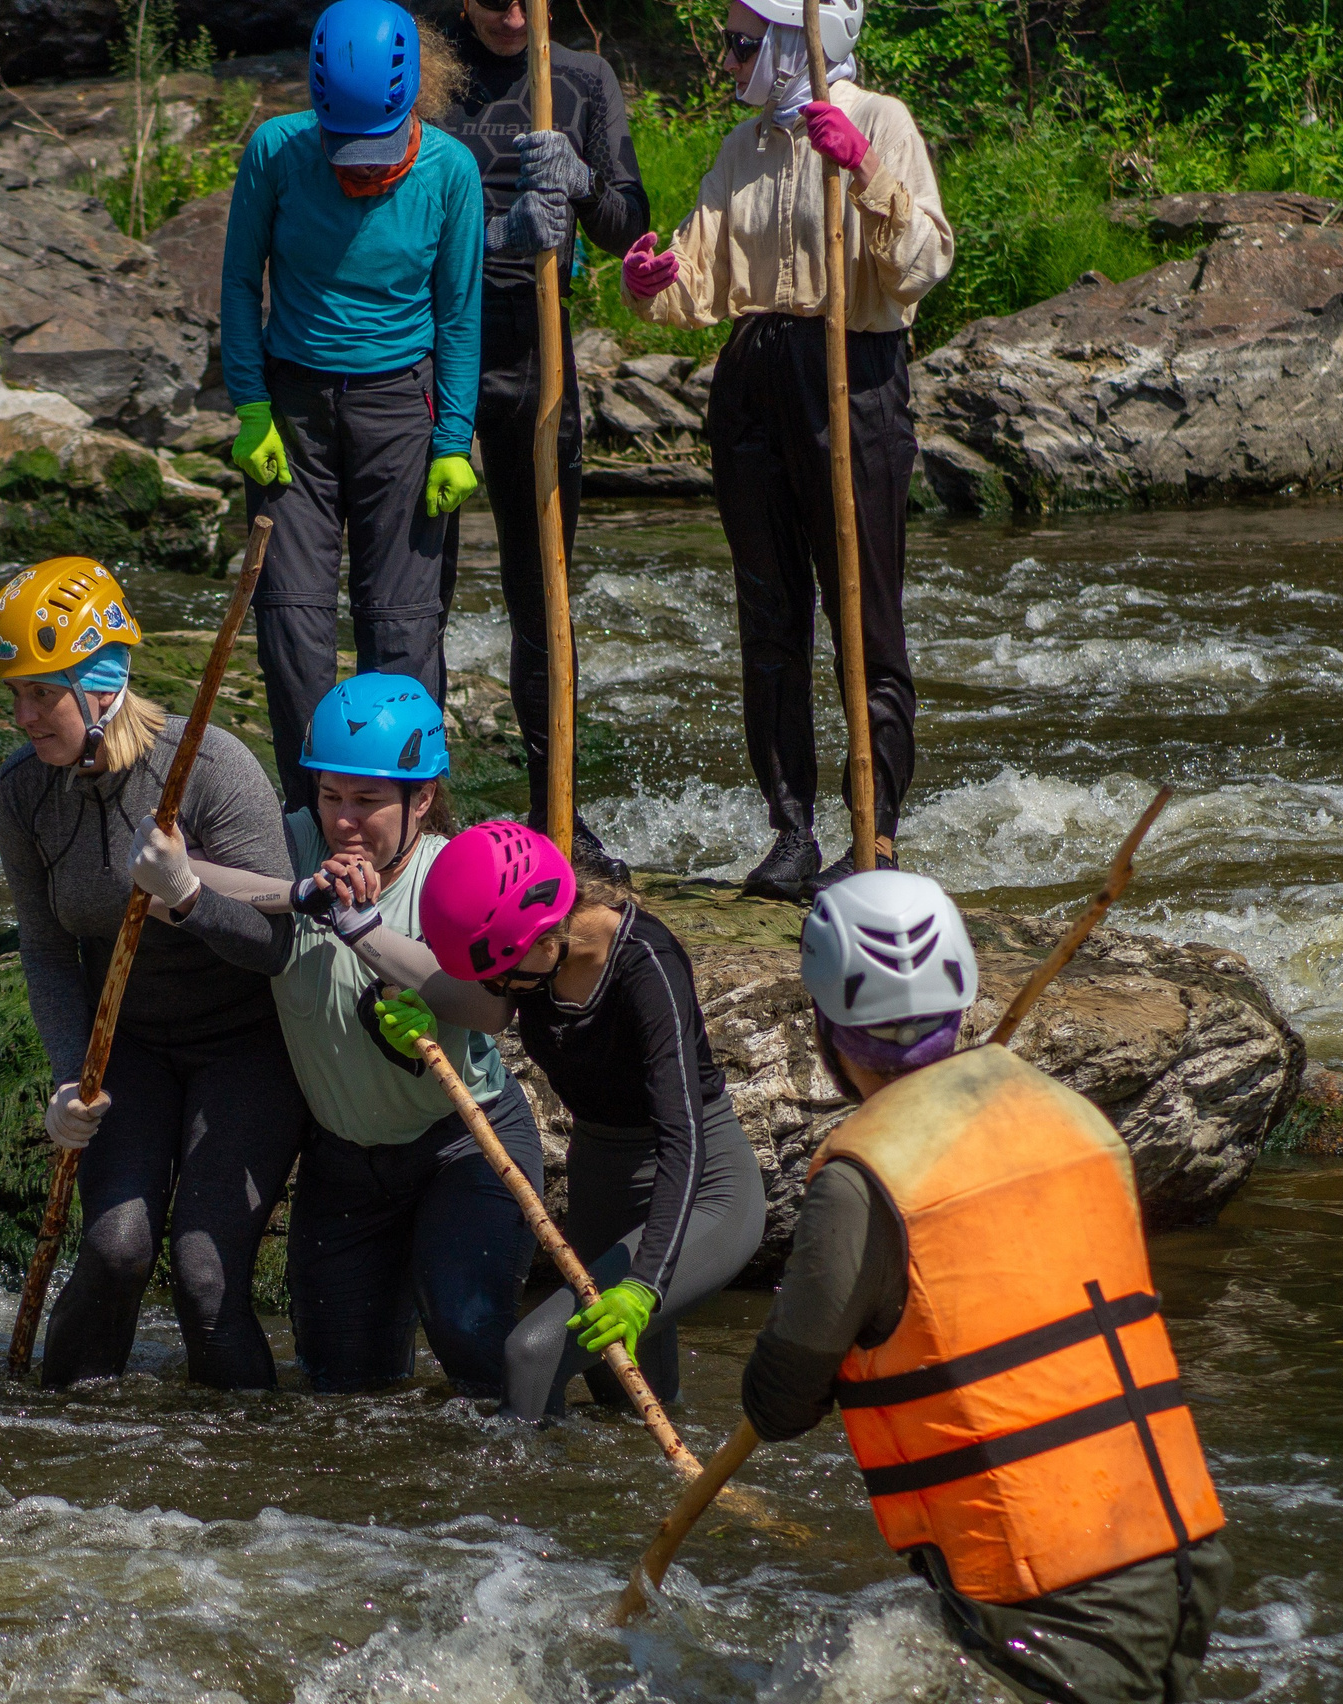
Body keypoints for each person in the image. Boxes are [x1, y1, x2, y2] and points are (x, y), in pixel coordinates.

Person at [742, 870, 1231, 1703]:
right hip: (1182, 1544)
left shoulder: (863, 1177)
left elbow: (782, 1400)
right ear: (963, 992)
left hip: (1048, 1582)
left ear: (827, 1026)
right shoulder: (1075, 1116)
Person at [621, 0, 954, 898]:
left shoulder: (880, 119)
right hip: (756, 378)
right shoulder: (743, 149)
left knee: (864, 615)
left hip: (853, 373)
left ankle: (874, 832)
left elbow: (924, 263)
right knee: (769, 620)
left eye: (740, 43)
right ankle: (792, 831)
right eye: (728, 43)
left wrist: (867, 171)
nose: (727, 60)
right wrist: (654, 282)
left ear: (791, 40)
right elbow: (697, 276)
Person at [0, 557, 305, 1391]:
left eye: (40, 694)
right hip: (129, 1045)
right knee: (116, 1248)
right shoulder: (23, 794)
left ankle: (244, 1471)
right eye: (13, 694)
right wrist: (66, 1084)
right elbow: (49, 947)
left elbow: (280, 947)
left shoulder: (212, 768)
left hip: (246, 1047)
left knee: (203, 1274)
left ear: (101, 683)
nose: (22, 716)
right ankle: (57, 1448)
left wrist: (191, 895)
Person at [186, 675, 544, 1396]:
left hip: (463, 1146)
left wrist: (368, 935)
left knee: (466, 1332)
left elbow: (491, 1012)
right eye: (331, 796)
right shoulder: (286, 844)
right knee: (343, 1389)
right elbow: (176, 873)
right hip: (344, 1168)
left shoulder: (454, 869)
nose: (344, 822)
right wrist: (292, 895)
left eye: (368, 801)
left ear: (422, 798)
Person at [352, 821, 766, 1420]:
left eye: (501, 975)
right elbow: (481, 1006)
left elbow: (685, 1136)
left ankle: (513, 1509)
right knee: (622, 1402)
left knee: (533, 1351)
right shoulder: (532, 954)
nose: (495, 988)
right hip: (602, 1173)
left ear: (547, 939)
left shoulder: (647, 962)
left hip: (702, 1189)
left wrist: (644, 1284)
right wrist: (424, 1021)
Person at [221, 0, 487, 814]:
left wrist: (451, 438)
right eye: (345, 152)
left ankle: (406, 828)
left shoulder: (449, 172)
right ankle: (310, 822)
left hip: (401, 412)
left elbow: (460, 315)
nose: (358, 171)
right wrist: (252, 408)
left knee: (400, 629)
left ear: (413, 108)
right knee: (292, 625)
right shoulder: (276, 151)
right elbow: (239, 283)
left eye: (376, 155)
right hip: (295, 411)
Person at [433, 0, 649, 873]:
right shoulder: (426, 68)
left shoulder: (581, 78)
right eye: (489, 0)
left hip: (535, 349)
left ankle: (555, 802)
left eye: (523, 1)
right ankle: (420, 806)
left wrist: (585, 181)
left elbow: (632, 222)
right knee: (421, 594)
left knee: (541, 588)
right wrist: (490, 233)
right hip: (433, 344)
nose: (509, 16)